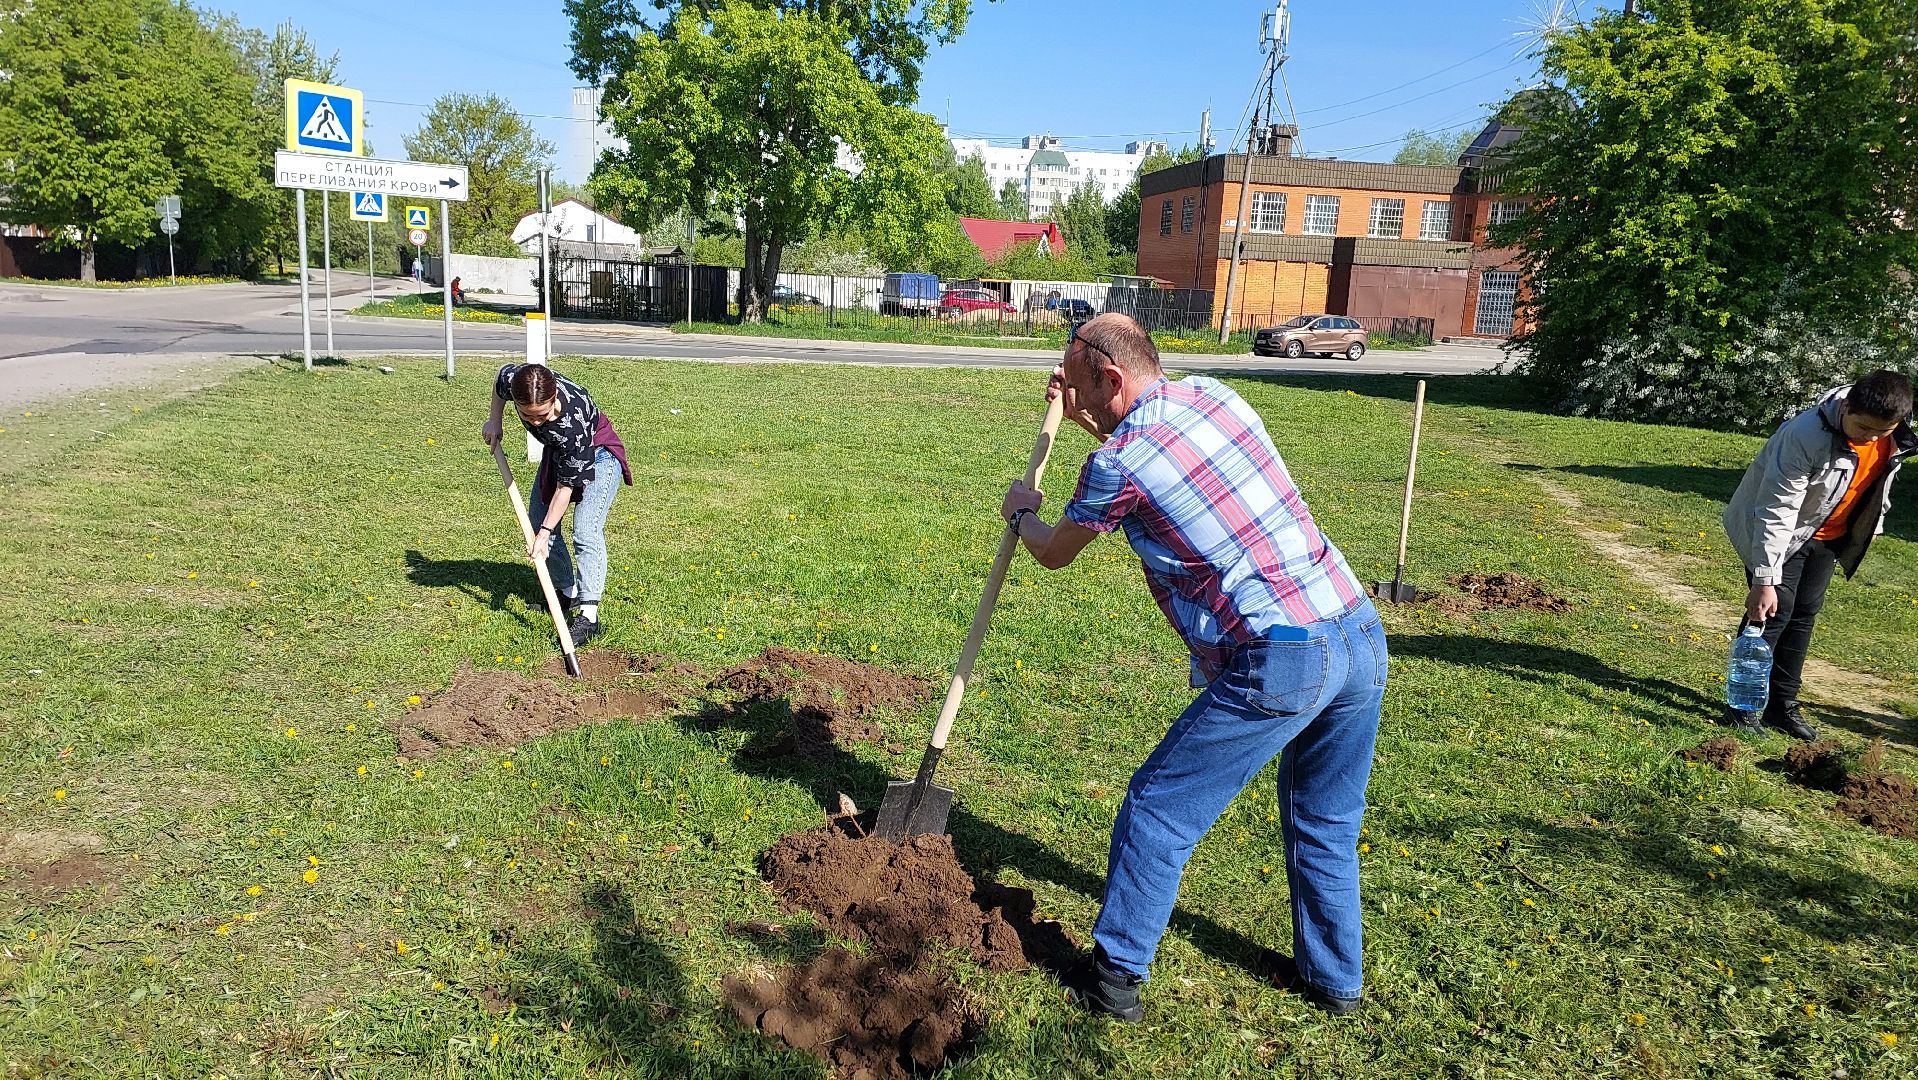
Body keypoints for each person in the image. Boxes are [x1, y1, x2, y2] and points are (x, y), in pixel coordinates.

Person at [999, 314, 1386, 1021]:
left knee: (1157, 809)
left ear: (1110, 377)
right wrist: (1088, 412)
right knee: (1325, 818)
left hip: (1285, 654)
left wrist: (1022, 513)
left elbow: (1055, 549)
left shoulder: (1116, 465)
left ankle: (1113, 981)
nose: (1073, 397)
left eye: (1080, 383)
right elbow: (1144, 456)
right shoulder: (1215, 395)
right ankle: (1335, 982)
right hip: (1357, 628)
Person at [1722, 370, 1915, 739]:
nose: (1871, 437)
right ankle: (1743, 707)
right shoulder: (1804, 435)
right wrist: (1765, 579)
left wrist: (1871, 526)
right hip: (1780, 533)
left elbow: (1878, 485)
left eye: (1882, 431)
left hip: (1828, 537)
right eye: (1863, 428)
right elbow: (1776, 508)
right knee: (1775, 613)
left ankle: (1783, 705)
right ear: (1846, 407)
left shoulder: (1894, 437)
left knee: (1804, 614)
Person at [481, 363, 633, 647]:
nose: (536, 422)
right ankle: (567, 592)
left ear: (554, 399)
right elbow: (500, 382)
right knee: (538, 524)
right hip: (558, 454)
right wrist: (495, 421)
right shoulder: (517, 380)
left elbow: (566, 488)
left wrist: (546, 532)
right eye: (529, 416)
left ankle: (589, 615)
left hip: (599, 455)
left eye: (544, 414)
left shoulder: (571, 422)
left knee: (585, 530)